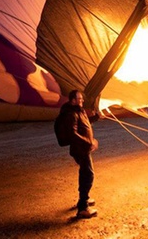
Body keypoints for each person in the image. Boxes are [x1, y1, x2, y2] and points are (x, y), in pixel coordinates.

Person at [59, 89, 99, 219]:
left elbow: (85, 124)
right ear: (72, 100)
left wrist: (97, 117)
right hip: (80, 149)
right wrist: (89, 142)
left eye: (82, 98)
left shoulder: (78, 110)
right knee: (88, 175)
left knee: (84, 173)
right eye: (79, 99)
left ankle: (83, 199)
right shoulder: (71, 114)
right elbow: (72, 133)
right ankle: (83, 208)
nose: (82, 100)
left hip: (82, 148)